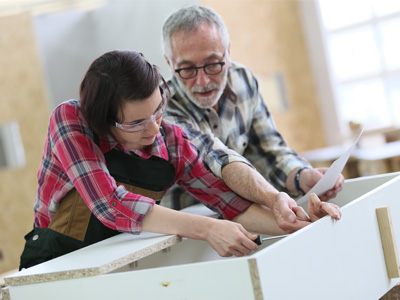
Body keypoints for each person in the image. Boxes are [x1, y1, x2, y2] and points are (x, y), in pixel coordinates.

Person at [19, 50, 341, 270]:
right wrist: (208, 228)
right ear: (103, 120)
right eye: (135, 123)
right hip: (56, 259)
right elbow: (109, 204)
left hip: (121, 256)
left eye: (158, 110)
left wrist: (301, 224)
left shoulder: (172, 140)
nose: (154, 128)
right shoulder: (71, 119)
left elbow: (232, 204)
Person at [161, 5, 344, 232]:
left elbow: (270, 150)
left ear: (228, 52)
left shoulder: (244, 81)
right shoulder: (162, 107)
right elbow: (216, 157)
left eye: (213, 64)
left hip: (250, 217)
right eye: (187, 69)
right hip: (186, 232)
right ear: (169, 64)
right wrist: (273, 198)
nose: (203, 81)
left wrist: (301, 175)